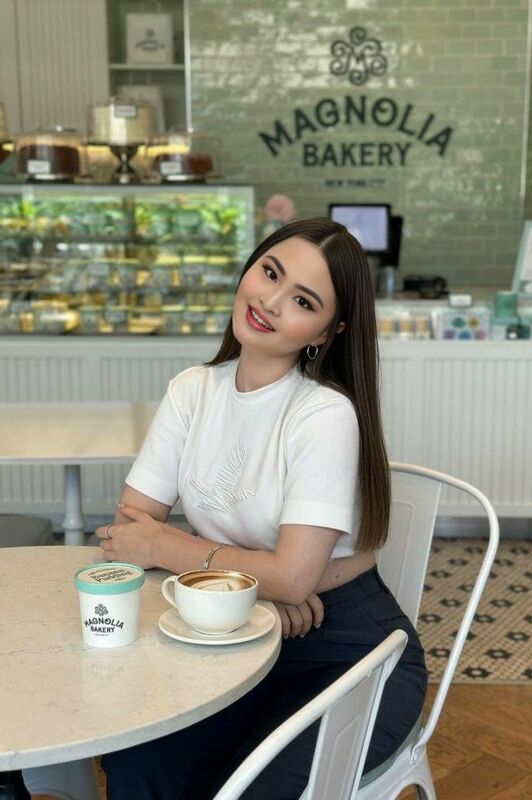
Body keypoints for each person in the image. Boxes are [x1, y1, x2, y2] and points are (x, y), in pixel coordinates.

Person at [97, 218, 427, 800]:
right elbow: (127, 531)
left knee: (253, 789)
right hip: (229, 628)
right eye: (270, 273)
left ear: (327, 331)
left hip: (345, 648)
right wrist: (257, 588)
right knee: (140, 764)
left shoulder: (324, 414)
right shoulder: (192, 390)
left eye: (303, 301)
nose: (270, 302)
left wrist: (207, 561)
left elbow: (294, 578)